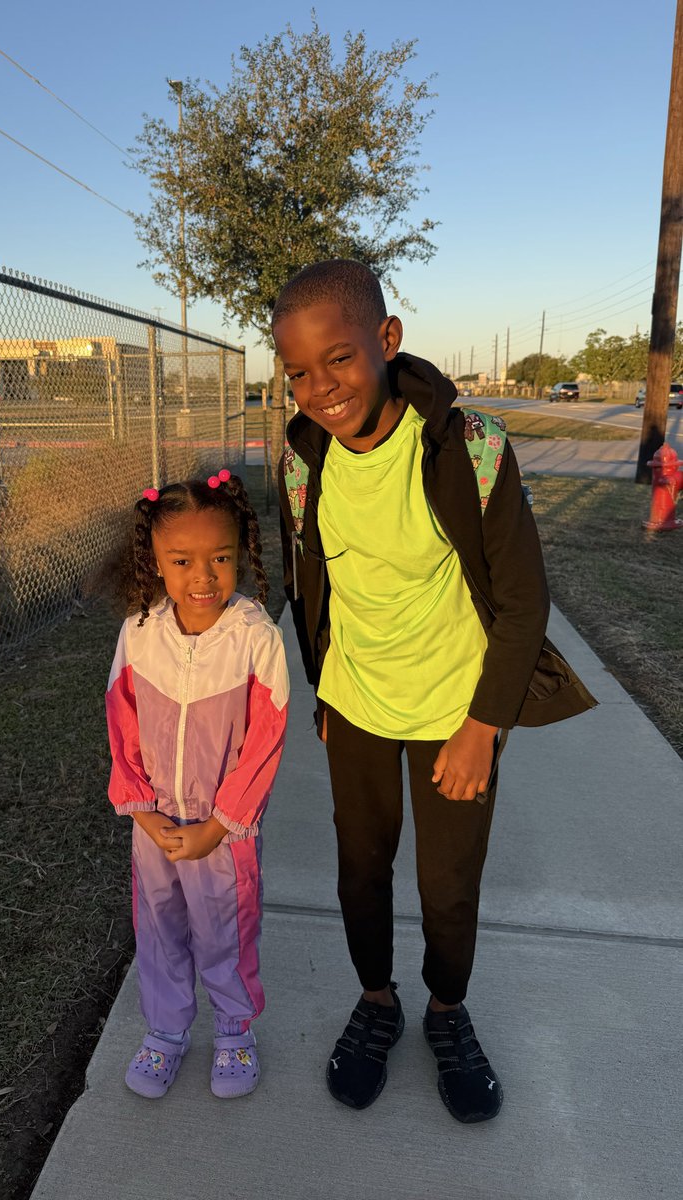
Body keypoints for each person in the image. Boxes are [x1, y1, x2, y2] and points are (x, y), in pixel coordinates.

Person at [273, 260, 595, 1123]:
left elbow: (523, 601)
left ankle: (447, 1010)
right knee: (359, 871)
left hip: (457, 710)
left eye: (338, 358)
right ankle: (376, 1000)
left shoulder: (468, 446)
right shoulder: (302, 462)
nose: (319, 388)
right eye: (297, 372)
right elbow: (313, 588)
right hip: (357, 705)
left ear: (387, 340)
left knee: (448, 884)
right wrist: (324, 692)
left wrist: (484, 725)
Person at [106, 469, 289, 1100]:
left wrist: (221, 824)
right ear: (155, 561)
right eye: (182, 561)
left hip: (223, 832)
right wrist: (140, 809)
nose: (203, 576)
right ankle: (166, 1031)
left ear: (240, 555)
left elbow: (266, 741)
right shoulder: (139, 633)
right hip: (155, 825)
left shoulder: (255, 638)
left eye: (221, 558)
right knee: (159, 928)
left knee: (225, 931)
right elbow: (121, 722)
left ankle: (234, 1031)